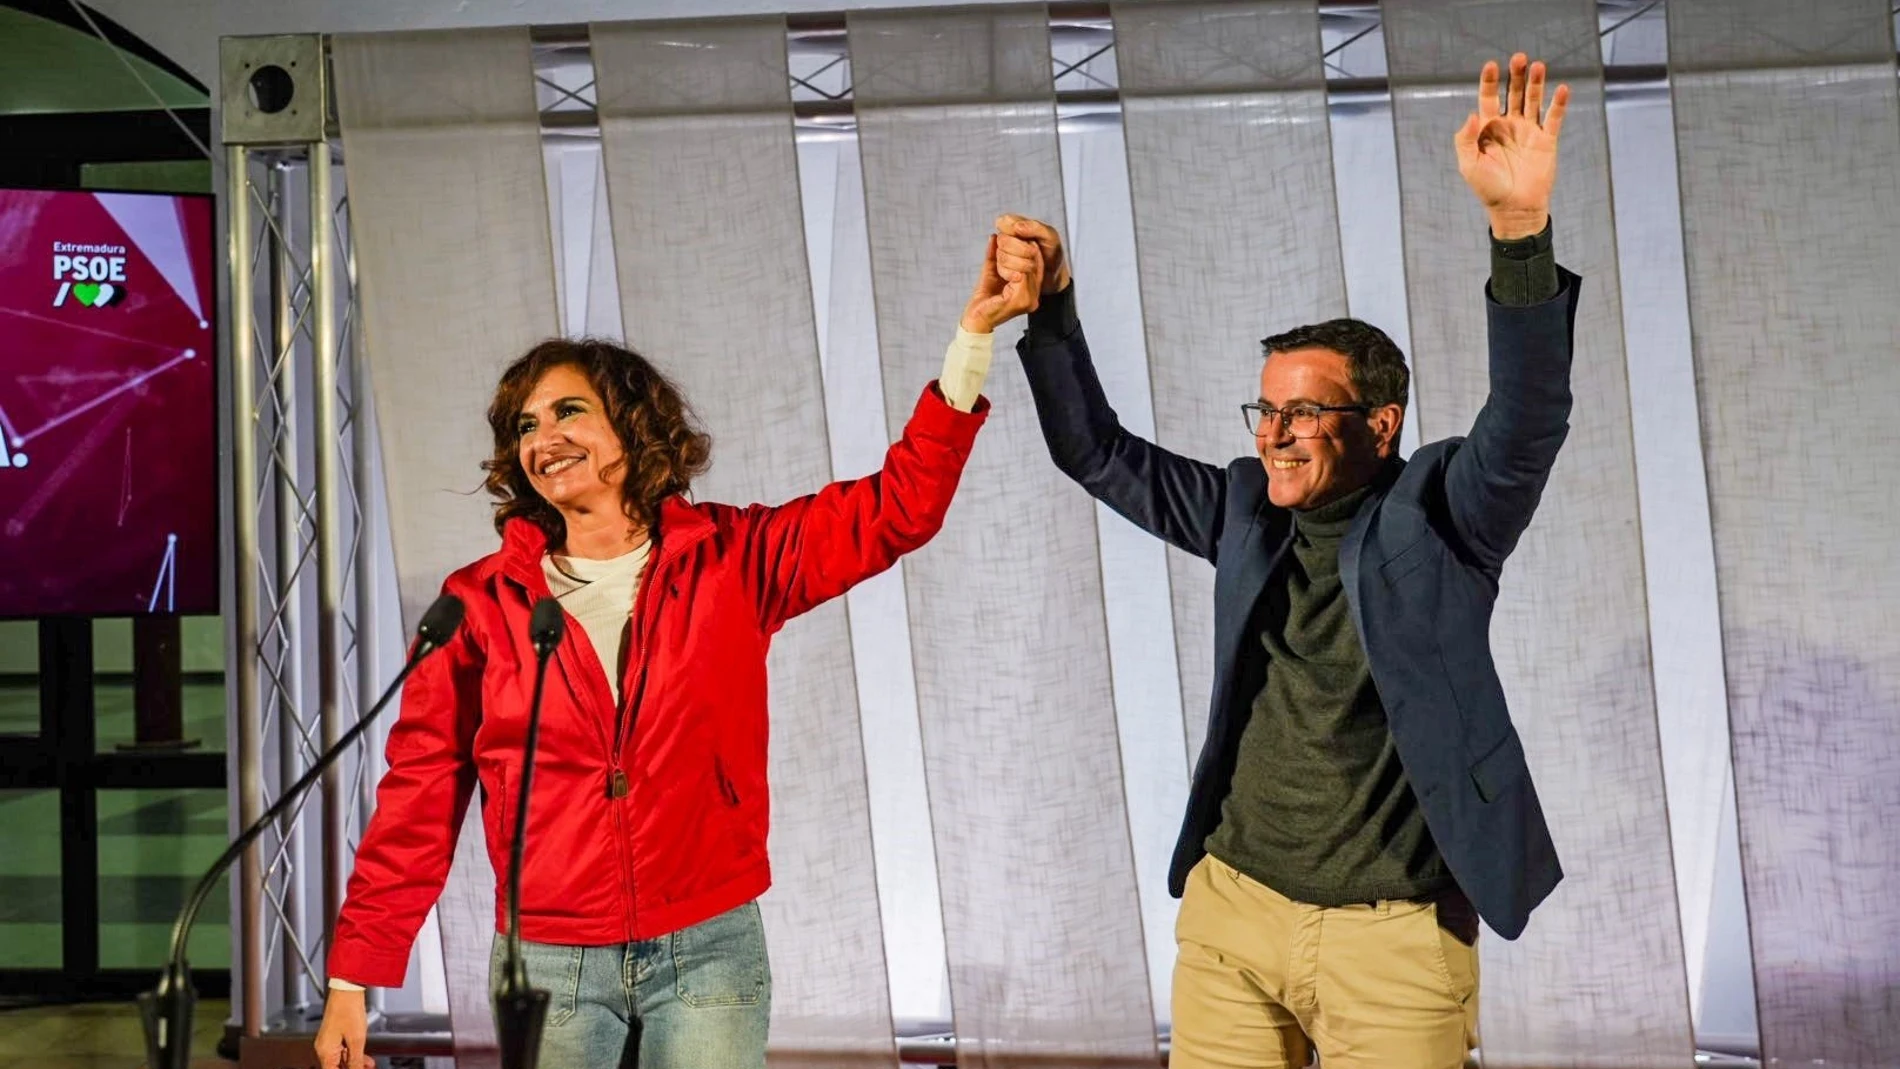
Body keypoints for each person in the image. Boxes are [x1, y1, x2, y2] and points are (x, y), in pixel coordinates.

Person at [312, 236, 1044, 1069]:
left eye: (567, 410)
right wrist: (352, 976)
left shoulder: (734, 558)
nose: (542, 434)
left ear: (632, 423)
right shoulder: (479, 602)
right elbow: (422, 789)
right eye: (524, 425)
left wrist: (973, 340)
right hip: (549, 964)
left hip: (707, 945)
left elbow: (897, 508)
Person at [994, 54, 1575, 1068]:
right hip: (1233, 918)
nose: (1272, 432)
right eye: (1265, 409)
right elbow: (1095, 451)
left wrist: (1517, 233)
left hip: (1390, 939)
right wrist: (1052, 311)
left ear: (1380, 423)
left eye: (1301, 411)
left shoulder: (1443, 510)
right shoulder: (1238, 511)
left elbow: (1526, 420)